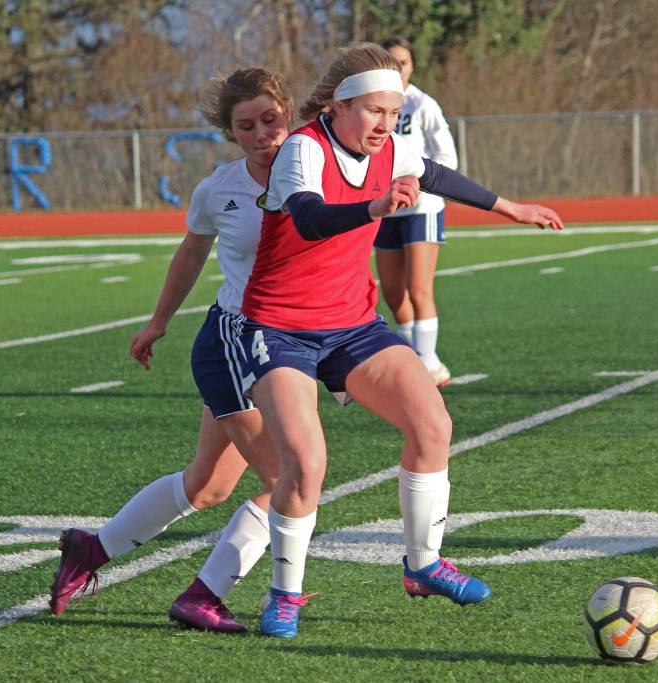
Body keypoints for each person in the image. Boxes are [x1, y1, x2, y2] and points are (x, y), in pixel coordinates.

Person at [231, 43, 564, 639]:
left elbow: (435, 173)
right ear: (338, 105)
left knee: (433, 426)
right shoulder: (302, 149)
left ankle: (423, 564)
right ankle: (284, 595)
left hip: (352, 324)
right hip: (279, 328)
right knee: (305, 465)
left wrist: (510, 207)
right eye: (374, 111)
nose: (386, 124)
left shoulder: (391, 146)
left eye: (393, 111)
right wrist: (374, 207)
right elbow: (308, 218)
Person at [48, 67, 293, 633]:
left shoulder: (317, 173)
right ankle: (204, 594)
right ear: (231, 133)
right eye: (246, 125)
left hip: (287, 345)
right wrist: (157, 322)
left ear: (289, 114)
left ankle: (91, 550)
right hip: (238, 346)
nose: (262, 134)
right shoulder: (218, 188)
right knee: (291, 481)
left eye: (271, 120)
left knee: (207, 484)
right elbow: (190, 253)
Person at [374, 36, 458, 386]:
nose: (398, 70)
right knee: (393, 293)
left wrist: (418, 185)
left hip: (421, 207)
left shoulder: (423, 105)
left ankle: (427, 363)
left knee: (419, 289)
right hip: (383, 208)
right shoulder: (371, 105)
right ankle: (418, 360)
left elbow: (447, 158)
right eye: (390, 63)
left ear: (413, 66)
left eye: (403, 63)